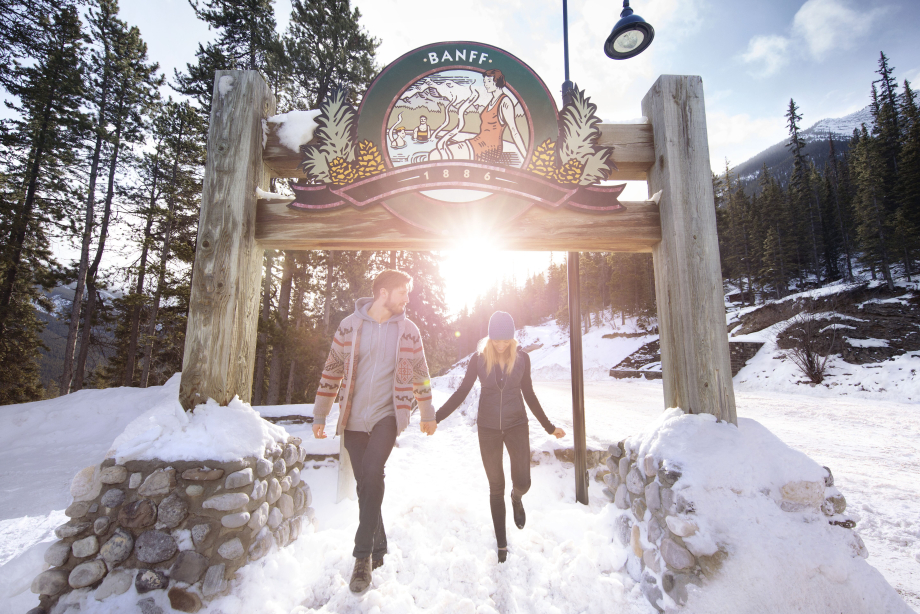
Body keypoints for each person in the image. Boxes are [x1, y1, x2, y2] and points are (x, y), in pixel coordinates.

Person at [312, 269, 437, 594]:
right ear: (384, 292)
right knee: (365, 484)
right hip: (352, 420)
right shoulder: (349, 327)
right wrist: (320, 414)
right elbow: (332, 370)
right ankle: (378, 544)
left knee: (372, 472)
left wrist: (427, 411)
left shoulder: (408, 331)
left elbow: (421, 373)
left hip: (387, 417)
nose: (407, 299)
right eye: (402, 293)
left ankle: (362, 558)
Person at [435, 311, 565, 563]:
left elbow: (529, 394)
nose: (502, 344)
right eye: (497, 339)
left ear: (513, 339)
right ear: (490, 338)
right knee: (496, 486)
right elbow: (462, 391)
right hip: (488, 429)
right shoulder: (479, 360)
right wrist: (436, 417)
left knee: (524, 482)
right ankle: (502, 544)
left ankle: (517, 498)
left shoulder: (522, 359)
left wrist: (549, 427)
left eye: (506, 340)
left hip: (517, 425)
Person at [429, 69, 527, 164]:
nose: (485, 84)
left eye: (488, 81)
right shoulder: (492, 100)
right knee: (437, 152)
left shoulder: (505, 102)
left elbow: (514, 131)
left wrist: (526, 157)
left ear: (496, 81)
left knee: (436, 155)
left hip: (489, 149)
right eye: (484, 81)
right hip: (477, 142)